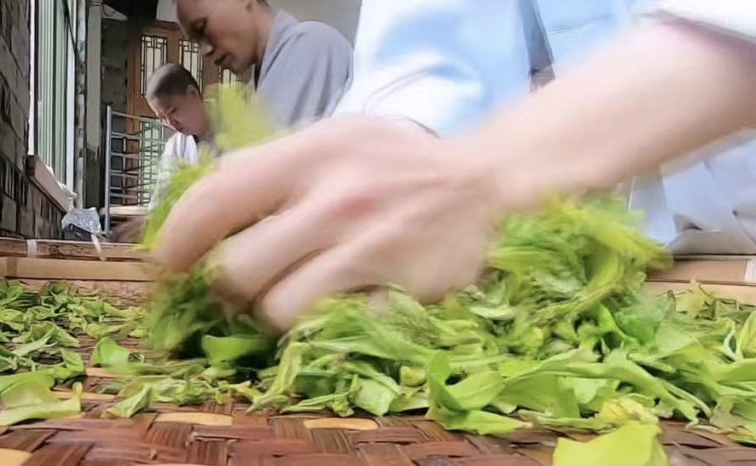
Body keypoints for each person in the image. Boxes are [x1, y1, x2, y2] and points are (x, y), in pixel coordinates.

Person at [152, 1, 756, 331]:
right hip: (617, 268)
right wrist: (409, 142)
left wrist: (483, 173)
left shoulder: (303, 46)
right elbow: (433, 47)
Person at [175, 0, 353, 127]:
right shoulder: (256, 89)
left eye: (202, 27)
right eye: (196, 42)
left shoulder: (311, 43)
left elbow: (278, 165)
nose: (205, 50)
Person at [111, 64, 212, 243]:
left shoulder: (233, 122)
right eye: (162, 118)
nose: (171, 123)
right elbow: (162, 198)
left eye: (173, 111)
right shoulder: (175, 146)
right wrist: (148, 225)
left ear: (193, 95)